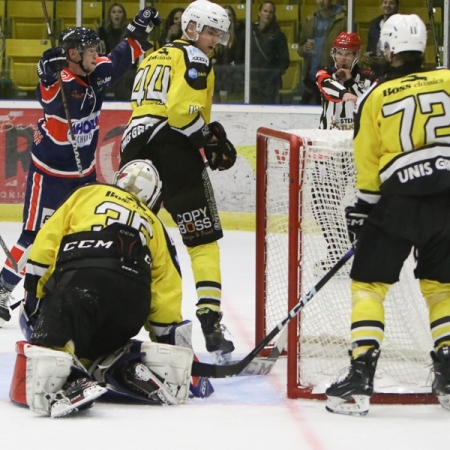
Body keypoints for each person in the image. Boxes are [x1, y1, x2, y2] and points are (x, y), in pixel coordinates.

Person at [0, 8, 161, 328]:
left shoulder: (97, 70)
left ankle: (69, 284)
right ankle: (3, 289)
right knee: (33, 235)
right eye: (89, 50)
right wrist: (46, 70)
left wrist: (139, 27)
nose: (96, 54)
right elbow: (46, 88)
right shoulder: (60, 80)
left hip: (83, 172)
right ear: (73, 54)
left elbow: (122, 55)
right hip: (50, 175)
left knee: (86, 231)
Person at [325, 14, 450, 416]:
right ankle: (448, 373)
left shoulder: (375, 96)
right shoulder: (448, 79)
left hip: (398, 202)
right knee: (443, 288)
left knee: (368, 285)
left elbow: (367, 162)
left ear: (388, 48)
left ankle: (360, 376)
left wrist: (363, 209)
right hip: (448, 201)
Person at [11, 160, 194, 417]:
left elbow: (44, 248)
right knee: (102, 341)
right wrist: (171, 348)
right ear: (153, 196)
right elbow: (166, 293)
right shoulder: (156, 225)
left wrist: (35, 303)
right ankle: (119, 367)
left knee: (51, 340)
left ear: (118, 178)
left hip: (82, 287)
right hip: (132, 303)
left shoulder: (86, 193)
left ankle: (69, 379)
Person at [119, 0, 237, 363]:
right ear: (191, 29)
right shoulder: (196, 58)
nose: (215, 39)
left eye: (219, 32)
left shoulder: (153, 56)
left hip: (132, 148)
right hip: (171, 149)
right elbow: (181, 116)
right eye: (210, 31)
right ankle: (210, 319)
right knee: (203, 240)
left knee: (132, 235)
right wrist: (210, 139)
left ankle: (120, 315)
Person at [312, 32, 378, 274]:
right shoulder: (325, 73)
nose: (343, 58)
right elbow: (326, 87)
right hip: (330, 149)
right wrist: (344, 91)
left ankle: (365, 251)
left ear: (356, 55)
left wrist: (351, 84)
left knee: (360, 203)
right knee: (321, 200)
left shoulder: (370, 77)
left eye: (348, 53)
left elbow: (371, 102)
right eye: (339, 52)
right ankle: (336, 249)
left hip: (358, 151)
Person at [235, 1, 290, 104]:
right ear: (259, 13)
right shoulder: (248, 33)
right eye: (265, 11)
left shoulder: (278, 36)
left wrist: (272, 75)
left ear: (274, 15)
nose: (268, 14)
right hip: (250, 84)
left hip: (270, 86)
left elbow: (285, 61)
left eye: (271, 12)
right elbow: (238, 57)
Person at [298, 0, 346, 105]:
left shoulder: (343, 21)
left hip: (332, 77)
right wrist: (304, 49)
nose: (321, 1)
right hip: (311, 76)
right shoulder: (310, 20)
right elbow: (300, 48)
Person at [97, 2, 138, 100]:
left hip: (126, 69)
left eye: (119, 12)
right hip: (110, 68)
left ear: (123, 15)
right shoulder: (104, 33)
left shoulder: (130, 33)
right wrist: (101, 38)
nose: (117, 14)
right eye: (114, 12)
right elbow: (102, 56)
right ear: (110, 15)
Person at [210, 5, 245, 102]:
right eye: (224, 15)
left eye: (229, 15)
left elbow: (238, 58)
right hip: (218, 79)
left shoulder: (240, 35)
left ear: (233, 18)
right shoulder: (215, 35)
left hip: (234, 81)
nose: (227, 18)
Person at [361, 0, 400, 77]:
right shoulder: (374, 25)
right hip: (376, 73)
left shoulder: (402, 25)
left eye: (391, 3)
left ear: (397, 6)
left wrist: (388, 61)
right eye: (385, 2)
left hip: (394, 74)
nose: (387, 5)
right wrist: (367, 58)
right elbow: (370, 48)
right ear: (381, 5)